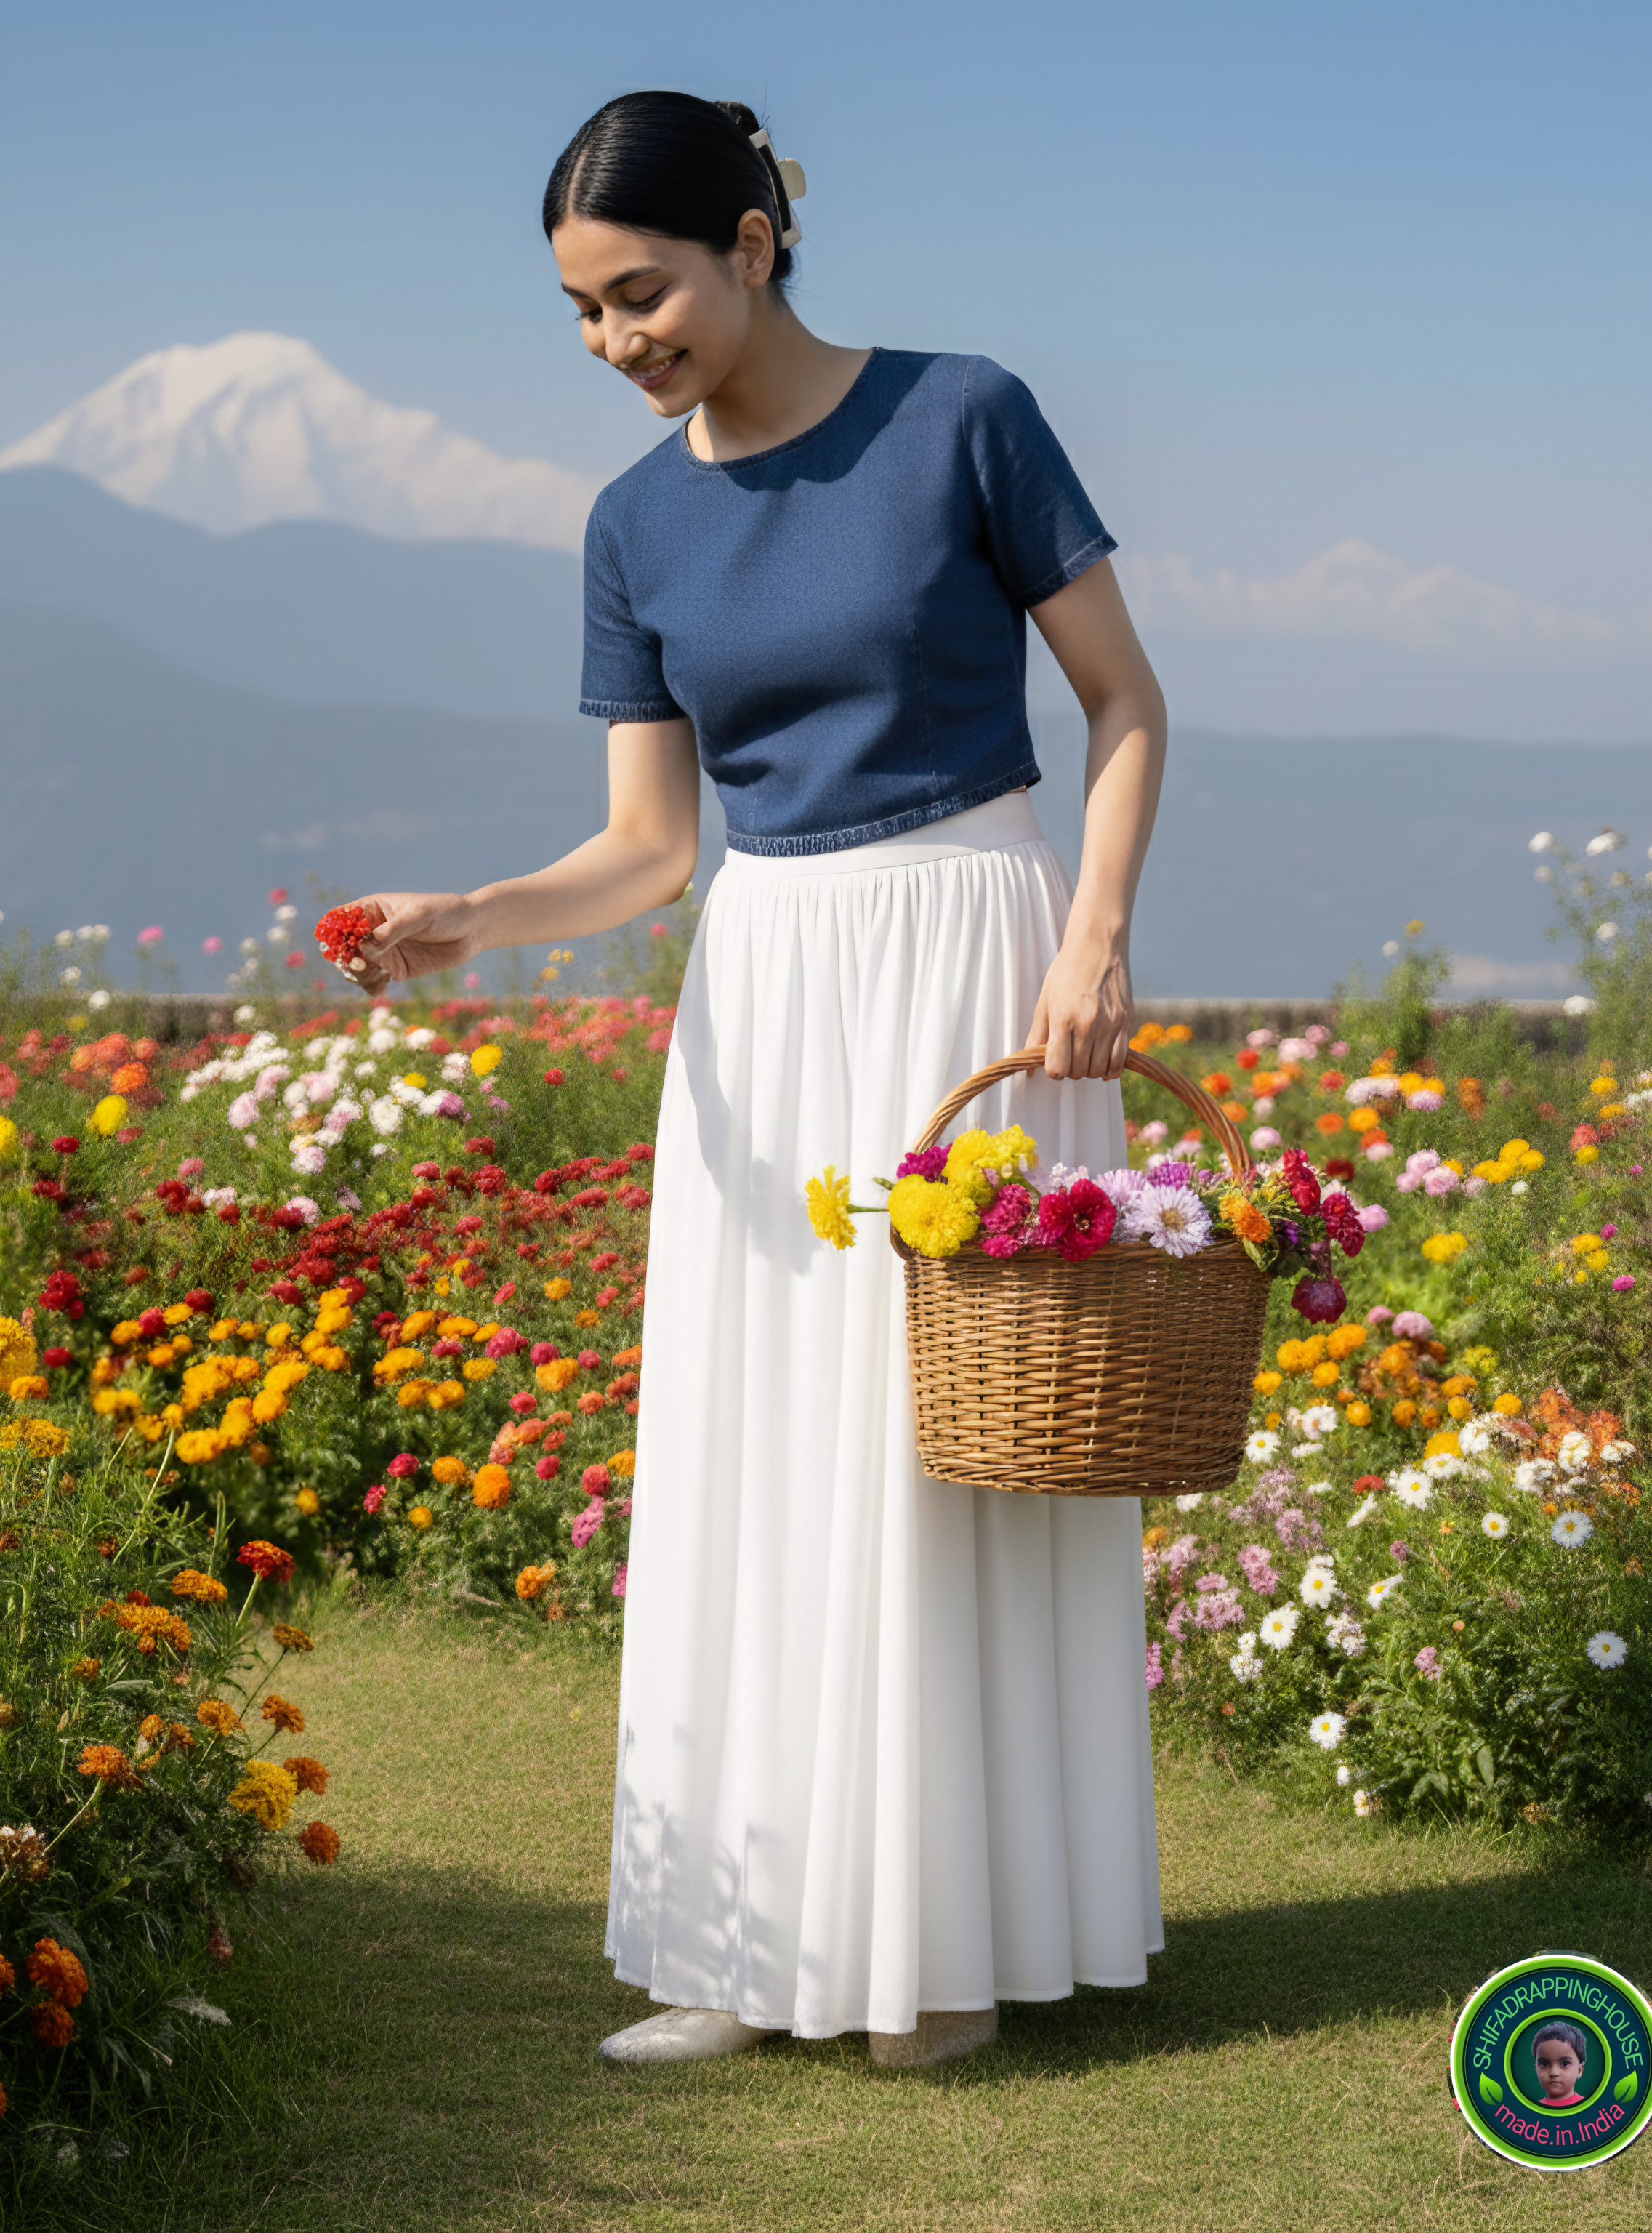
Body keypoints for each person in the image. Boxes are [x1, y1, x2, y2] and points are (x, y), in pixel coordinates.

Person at [339, 89, 1168, 2069]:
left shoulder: (963, 415)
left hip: (972, 954)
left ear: (753, 241)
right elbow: (649, 849)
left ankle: (942, 1947)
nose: (613, 340)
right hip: (765, 978)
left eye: (640, 293)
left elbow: (1123, 700)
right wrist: (472, 915)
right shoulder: (632, 525)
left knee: (943, 1448)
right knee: (756, 1447)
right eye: (581, 312)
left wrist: (1093, 935)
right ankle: (744, 1944)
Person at [1531, 2021, 1588, 2108]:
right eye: (1545, 2064)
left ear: (1579, 2070)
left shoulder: (1590, 2108)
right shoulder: (1530, 2110)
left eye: (1565, 2064)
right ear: (1537, 2069)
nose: (1554, 2073)